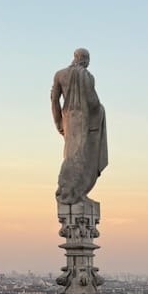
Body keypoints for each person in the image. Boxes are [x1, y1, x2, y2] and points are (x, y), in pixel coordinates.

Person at [51, 48, 108, 205]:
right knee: (80, 156)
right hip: (83, 119)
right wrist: (101, 111)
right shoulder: (87, 77)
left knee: (71, 154)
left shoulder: (59, 74)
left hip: (67, 118)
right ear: (85, 60)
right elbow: (93, 102)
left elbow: (54, 101)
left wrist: (58, 122)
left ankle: (74, 192)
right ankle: (70, 192)